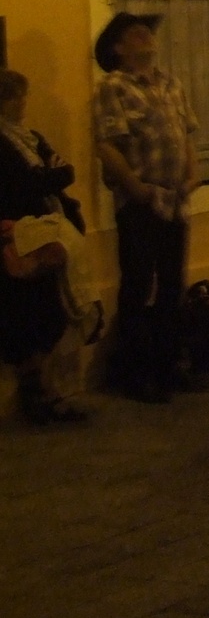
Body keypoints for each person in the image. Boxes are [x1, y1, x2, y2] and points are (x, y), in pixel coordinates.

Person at [92, 12, 198, 404]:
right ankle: (135, 374)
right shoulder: (113, 87)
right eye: (135, 33)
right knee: (138, 286)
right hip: (140, 201)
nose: (145, 36)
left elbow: (185, 134)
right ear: (118, 48)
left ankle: (168, 367)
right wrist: (134, 187)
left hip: (175, 200)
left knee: (172, 284)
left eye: (147, 31)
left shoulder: (171, 84)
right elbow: (107, 144)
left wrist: (194, 173)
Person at [0, 70, 87, 426]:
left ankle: (52, 392)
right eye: (13, 97)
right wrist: (51, 176)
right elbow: (20, 186)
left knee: (53, 312)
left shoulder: (31, 138)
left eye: (23, 95)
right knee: (28, 317)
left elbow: (66, 170)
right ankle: (36, 395)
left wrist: (51, 176)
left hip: (49, 234)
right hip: (21, 238)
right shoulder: (5, 144)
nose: (22, 103)